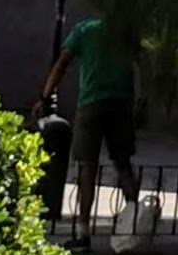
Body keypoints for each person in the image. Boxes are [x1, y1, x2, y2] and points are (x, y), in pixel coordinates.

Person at [37, 13, 141, 240]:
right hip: (121, 103)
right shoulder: (127, 32)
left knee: (87, 166)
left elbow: (61, 65)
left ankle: (82, 230)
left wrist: (45, 96)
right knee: (123, 163)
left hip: (91, 103)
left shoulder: (84, 31)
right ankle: (134, 221)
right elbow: (143, 64)